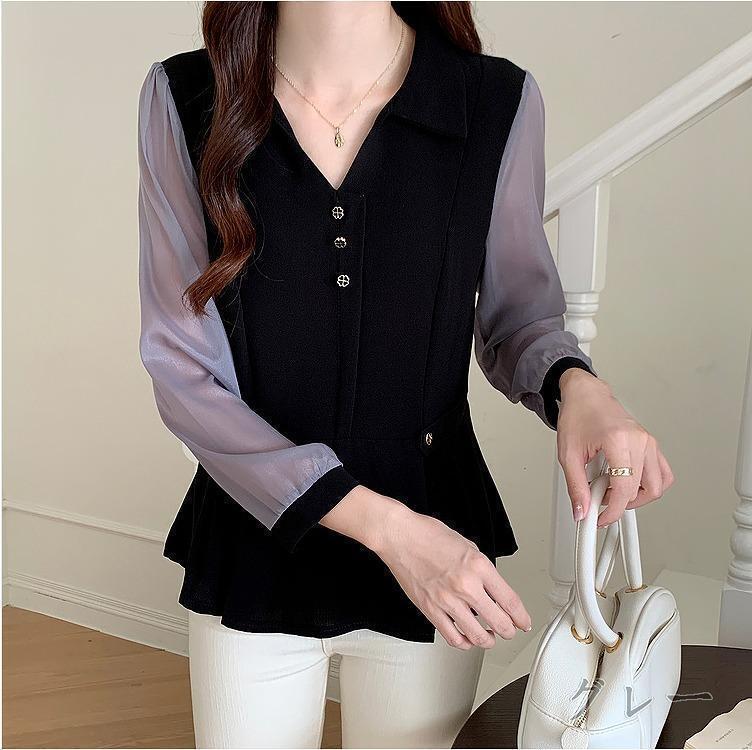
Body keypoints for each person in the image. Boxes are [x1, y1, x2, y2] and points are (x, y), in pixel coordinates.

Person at [137, 2, 674, 748]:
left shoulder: (494, 102)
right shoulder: (187, 97)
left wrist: (579, 388)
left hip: (440, 547)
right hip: (259, 543)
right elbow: (183, 369)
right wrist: (389, 531)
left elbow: (519, 317)